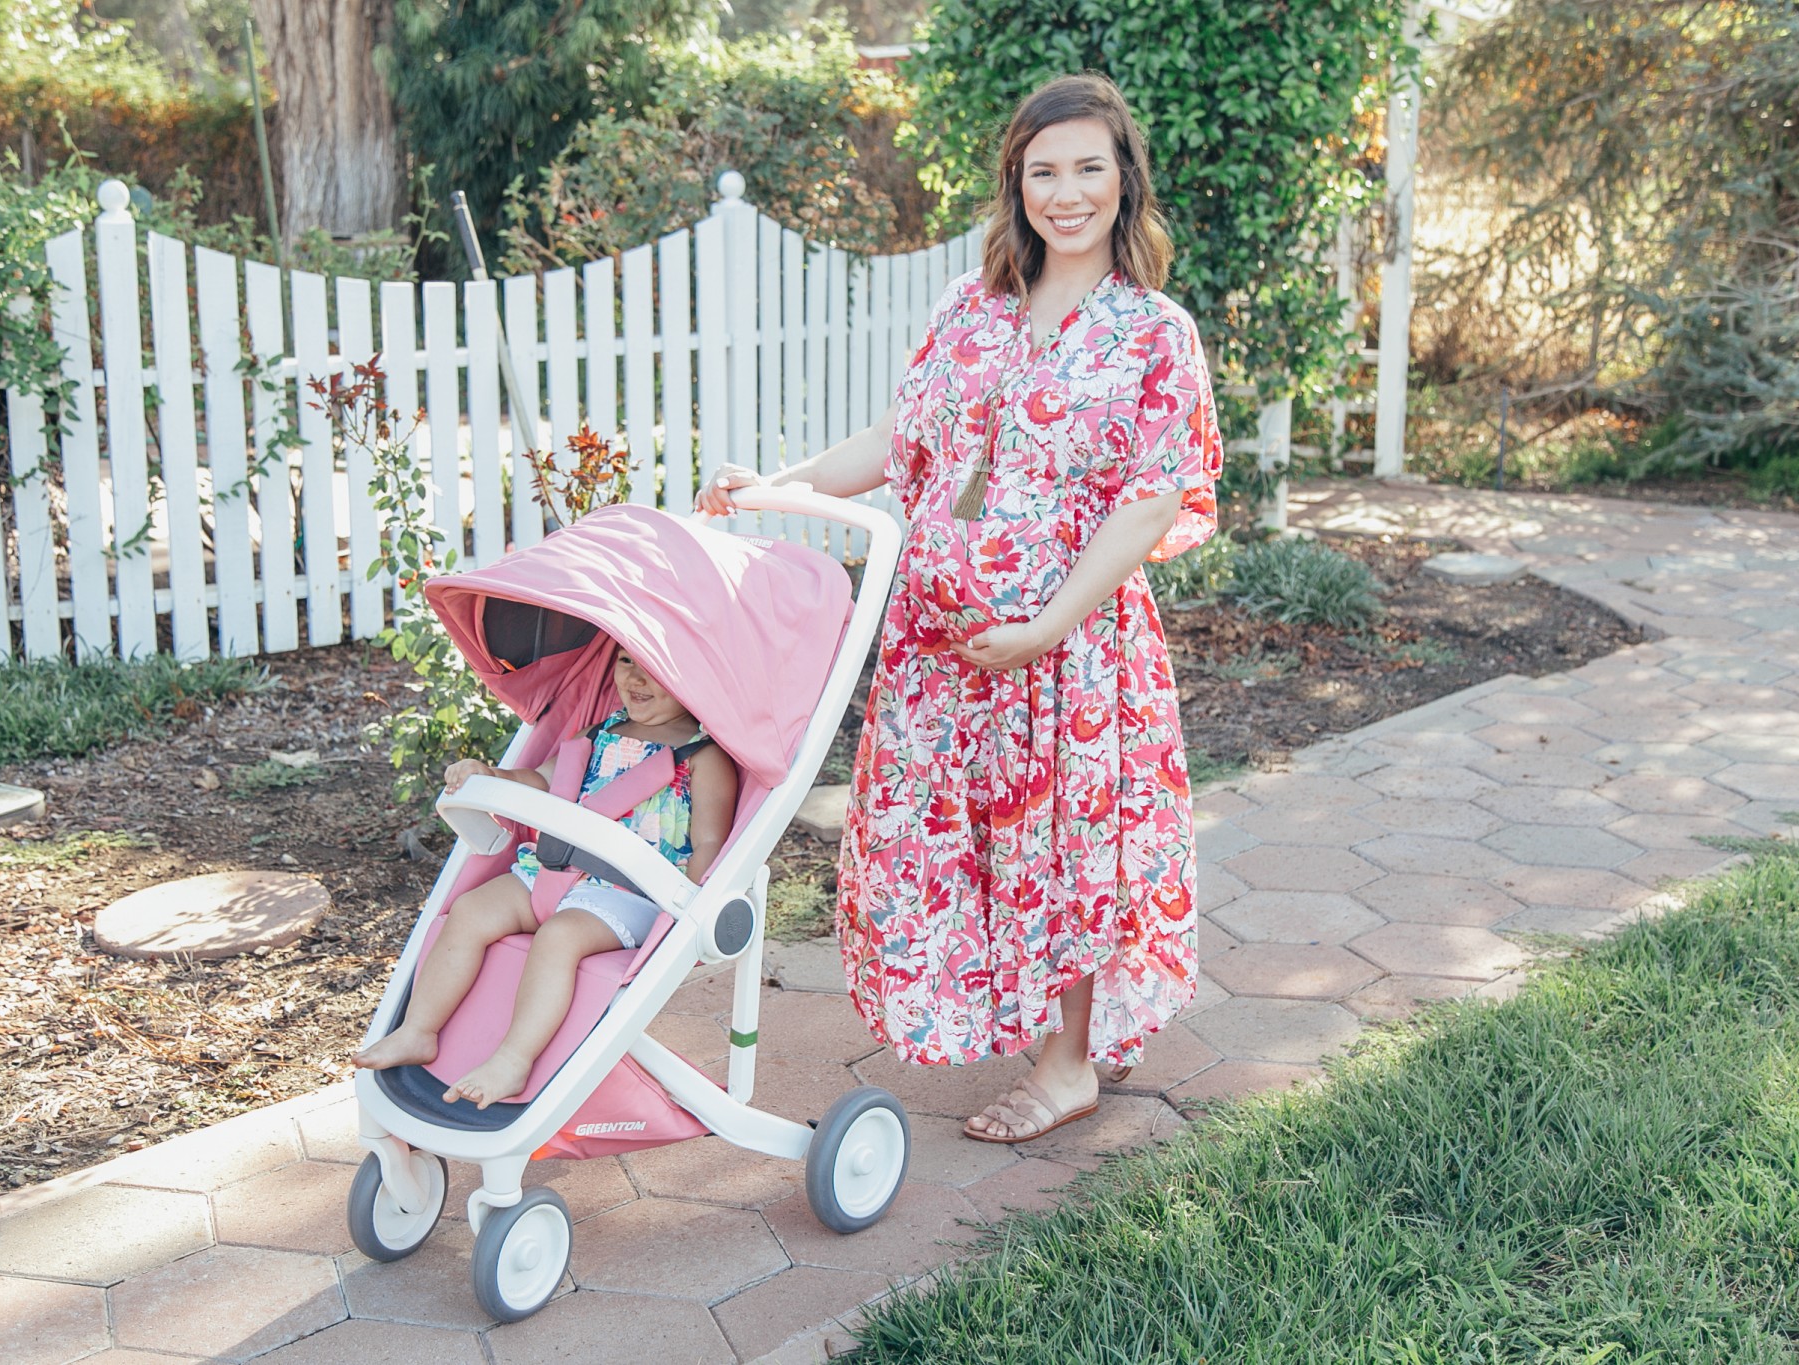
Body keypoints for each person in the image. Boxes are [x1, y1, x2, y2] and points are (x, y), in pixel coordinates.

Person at [699, 73, 1222, 1143]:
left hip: (1069, 652)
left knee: (1065, 846)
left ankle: (1068, 1066)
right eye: (1043, 171)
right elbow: (901, 440)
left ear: (1125, 179)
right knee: (957, 840)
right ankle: (1055, 1022)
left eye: (1088, 168)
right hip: (937, 651)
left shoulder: (1153, 333)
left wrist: (1046, 624)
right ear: (1015, 184)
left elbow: (1150, 501)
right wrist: (775, 486)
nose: (1066, 194)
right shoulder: (969, 308)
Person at [354, 649, 739, 1108]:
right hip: (553, 872)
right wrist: (491, 774)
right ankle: (419, 1030)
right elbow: (542, 780)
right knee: (471, 910)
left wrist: (687, 911)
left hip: (630, 893)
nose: (635, 678)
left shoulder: (702, 757)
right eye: (625, 661)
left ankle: (513, 1060)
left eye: (652, 667)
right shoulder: (598, 733)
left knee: (558, 938)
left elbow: (710, 842)